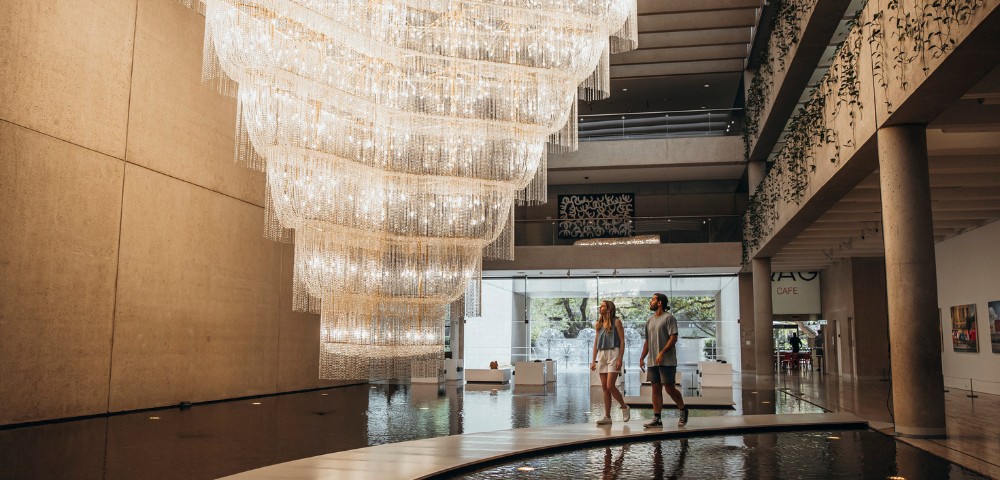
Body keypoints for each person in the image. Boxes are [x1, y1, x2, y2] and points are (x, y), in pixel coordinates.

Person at [640, 293, 688, 428]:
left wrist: (662, 352)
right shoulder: (649, 320)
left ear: (660, 302)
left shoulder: (669, 318)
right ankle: (657, 418)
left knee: (669, 388)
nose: (650, 302)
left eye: (653, 299)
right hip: (652, 361)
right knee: (655, 388)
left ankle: (683, 409)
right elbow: (647, 341)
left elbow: (674, 338)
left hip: (667, 360)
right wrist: (642, 357)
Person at [591, 300, 629, 425]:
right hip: (602, 354)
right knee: (604, 388)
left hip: (614, 353)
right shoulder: (599, 324)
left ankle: (624, 406)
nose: (599, 308)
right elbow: (596, 344)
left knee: (610, 385)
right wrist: (593, 360)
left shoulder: (617, 322)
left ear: (609, 308)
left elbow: (622, 341)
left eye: (602, 306)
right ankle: (607, 416)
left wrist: (620, 358)